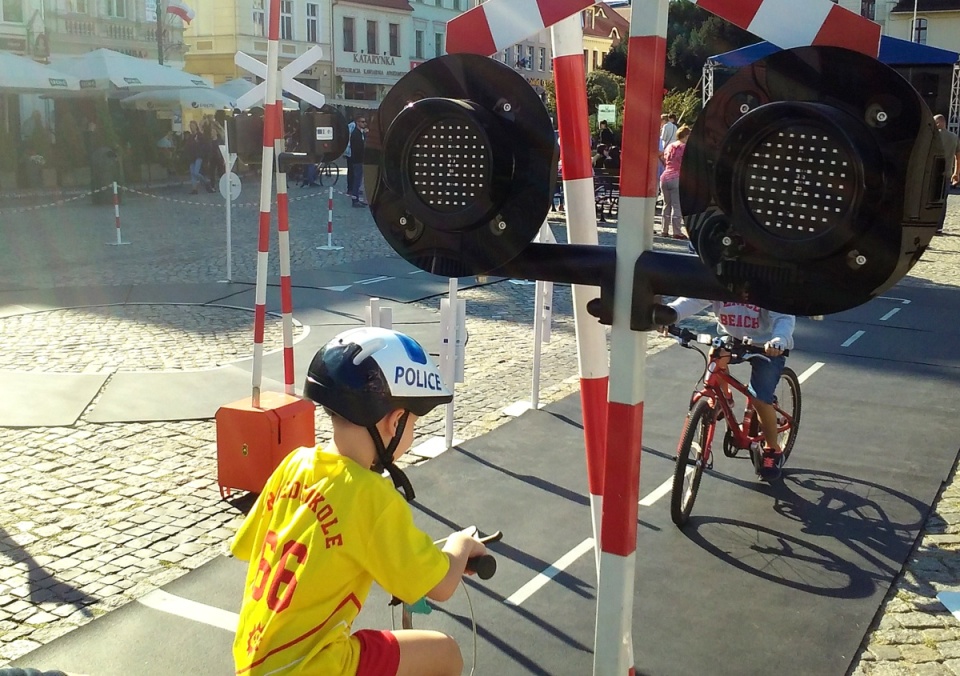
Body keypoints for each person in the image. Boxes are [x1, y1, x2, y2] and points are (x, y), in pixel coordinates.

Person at [231, 327, 487, 676]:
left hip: (255, 660)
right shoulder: (372, 497)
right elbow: (439, 586)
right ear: (395, 421)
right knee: (445, 654)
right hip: (313, 665)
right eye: (413, 423)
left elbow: (257, 547)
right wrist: (460, 544)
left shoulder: (295, 463)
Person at [660, 300, 795, 480]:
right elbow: (695, 299)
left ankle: (773, 450)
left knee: (760, 398)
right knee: (715, 357)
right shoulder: (723, 281)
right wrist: (670, 313)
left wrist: (780, 340)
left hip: (768, 345)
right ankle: (724, 399)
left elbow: (783, 315)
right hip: (731, 338)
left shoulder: (765, 285)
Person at [659, 125, 691, 239]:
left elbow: (663, 158)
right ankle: (677, 232)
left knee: (666, 205)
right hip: (677, 177)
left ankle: (664, 230)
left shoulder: (669, 146)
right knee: (676, 205)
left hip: (664, 177)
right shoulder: (684, 148)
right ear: (686, 136)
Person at [935, 114, 960, 235]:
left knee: (927, 200)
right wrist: (956, 173)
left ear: (938, 123)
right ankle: (939, 227)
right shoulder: (954, 137)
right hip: (947, 174)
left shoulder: (933, 136)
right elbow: (958, 157)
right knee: (943, 200)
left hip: (932, 174)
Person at [184, 120, 214, 194]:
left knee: (196, 172)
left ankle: (206, 183)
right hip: (191, 157)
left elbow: (205, 145)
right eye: (190, 126)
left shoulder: (200, 135)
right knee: (192, 173)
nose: (192, 127)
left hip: (198, 156)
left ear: (196, 126)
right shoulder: (190, 137)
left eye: (193, 126)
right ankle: (194, 189)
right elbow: (187, 146)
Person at [348, 116, 367, 207]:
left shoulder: (360, 133)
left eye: (364, 122)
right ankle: (355, 200)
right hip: (357, 160)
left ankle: (356, 199)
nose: (364, 123)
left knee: (358, 180)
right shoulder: (356, 134)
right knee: (357, 180)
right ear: (357, 122)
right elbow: (358, 148)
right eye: (362, 122)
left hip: (358, 160)